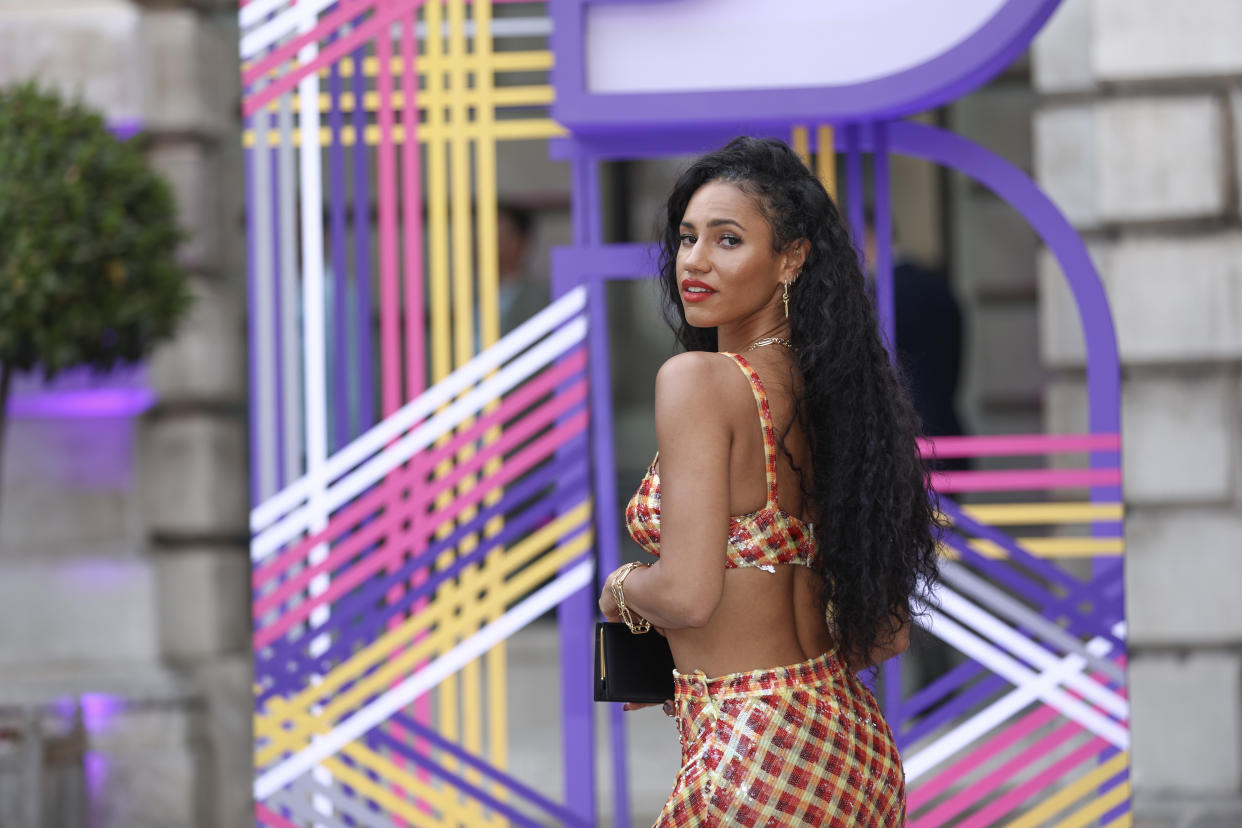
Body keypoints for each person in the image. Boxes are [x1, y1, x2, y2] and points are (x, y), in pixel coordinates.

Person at [597, 137, 941, 826]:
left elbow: (690, 594)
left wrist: (619, 589)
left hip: (751, 762)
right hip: (851, 748)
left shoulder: (698, 381)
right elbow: (884, 635)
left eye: (727, 240)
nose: (694, 261)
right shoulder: (844, 398)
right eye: (688, 237)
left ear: (791, 257)